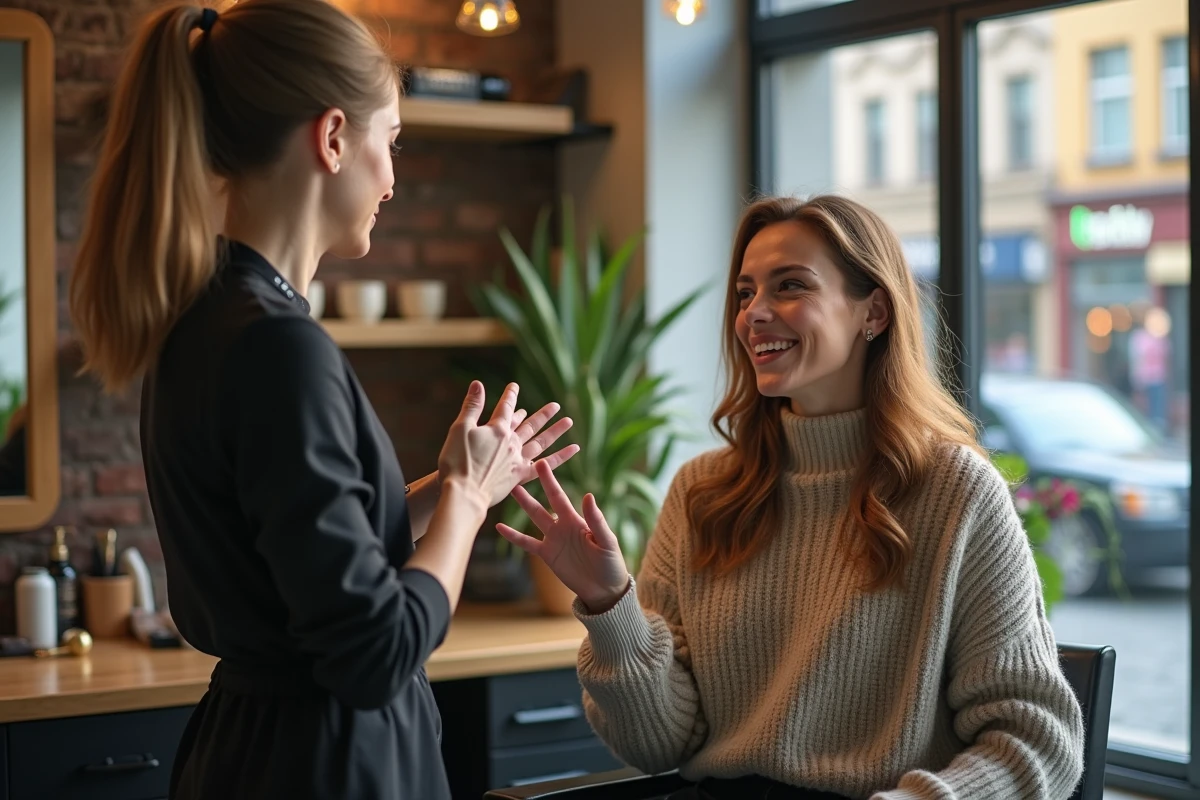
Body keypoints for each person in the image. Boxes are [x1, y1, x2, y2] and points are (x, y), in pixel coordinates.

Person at [67, 2, 578, 798]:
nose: (395, 178)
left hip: (253, 751)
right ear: (334, 137)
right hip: (328, 764)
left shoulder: (205, 323)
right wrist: (469, 506)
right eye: (392, 142)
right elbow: (376, 651)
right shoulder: (278, 348)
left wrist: (451, 485)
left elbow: (309, 560)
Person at [500, 195, 1086, 800]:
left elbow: (1038, 740)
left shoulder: (956, 491)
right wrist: (610, 603)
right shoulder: (702, 492)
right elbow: (659, 748)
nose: (753, 313)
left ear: (875, 312)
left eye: (790, 287)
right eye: (746, 292)